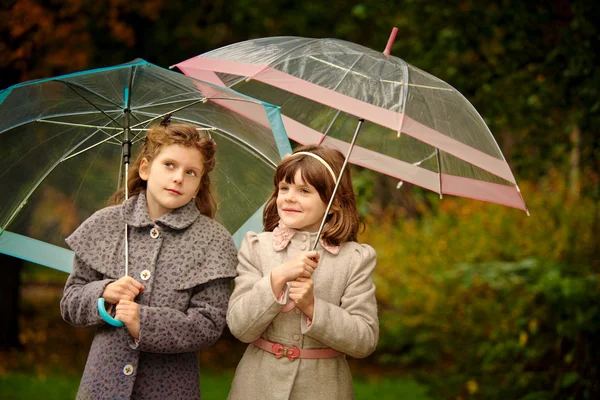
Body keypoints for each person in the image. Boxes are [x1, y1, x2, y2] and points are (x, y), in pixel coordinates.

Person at [60, 120, 237, 399]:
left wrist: (144, 321)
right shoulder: (106, 225)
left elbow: (209, 324)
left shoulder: (213, 241)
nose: (178, 177)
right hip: (102, 385)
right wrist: (104, 292)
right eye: (169, 165)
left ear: (198, 185)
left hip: (171, 388)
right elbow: (70, 302)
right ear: (145, 168)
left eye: (190, 172)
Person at [226, 144, 379, 399]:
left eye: (304, 190)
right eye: (284, 188)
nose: (288, 197)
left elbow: (364, 339)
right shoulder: (257, 247)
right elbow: (240, 327)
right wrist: (276, 279)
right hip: (256, 387)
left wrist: (312, 307)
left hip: (324, 388)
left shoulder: (354, 259)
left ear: (333, 204)